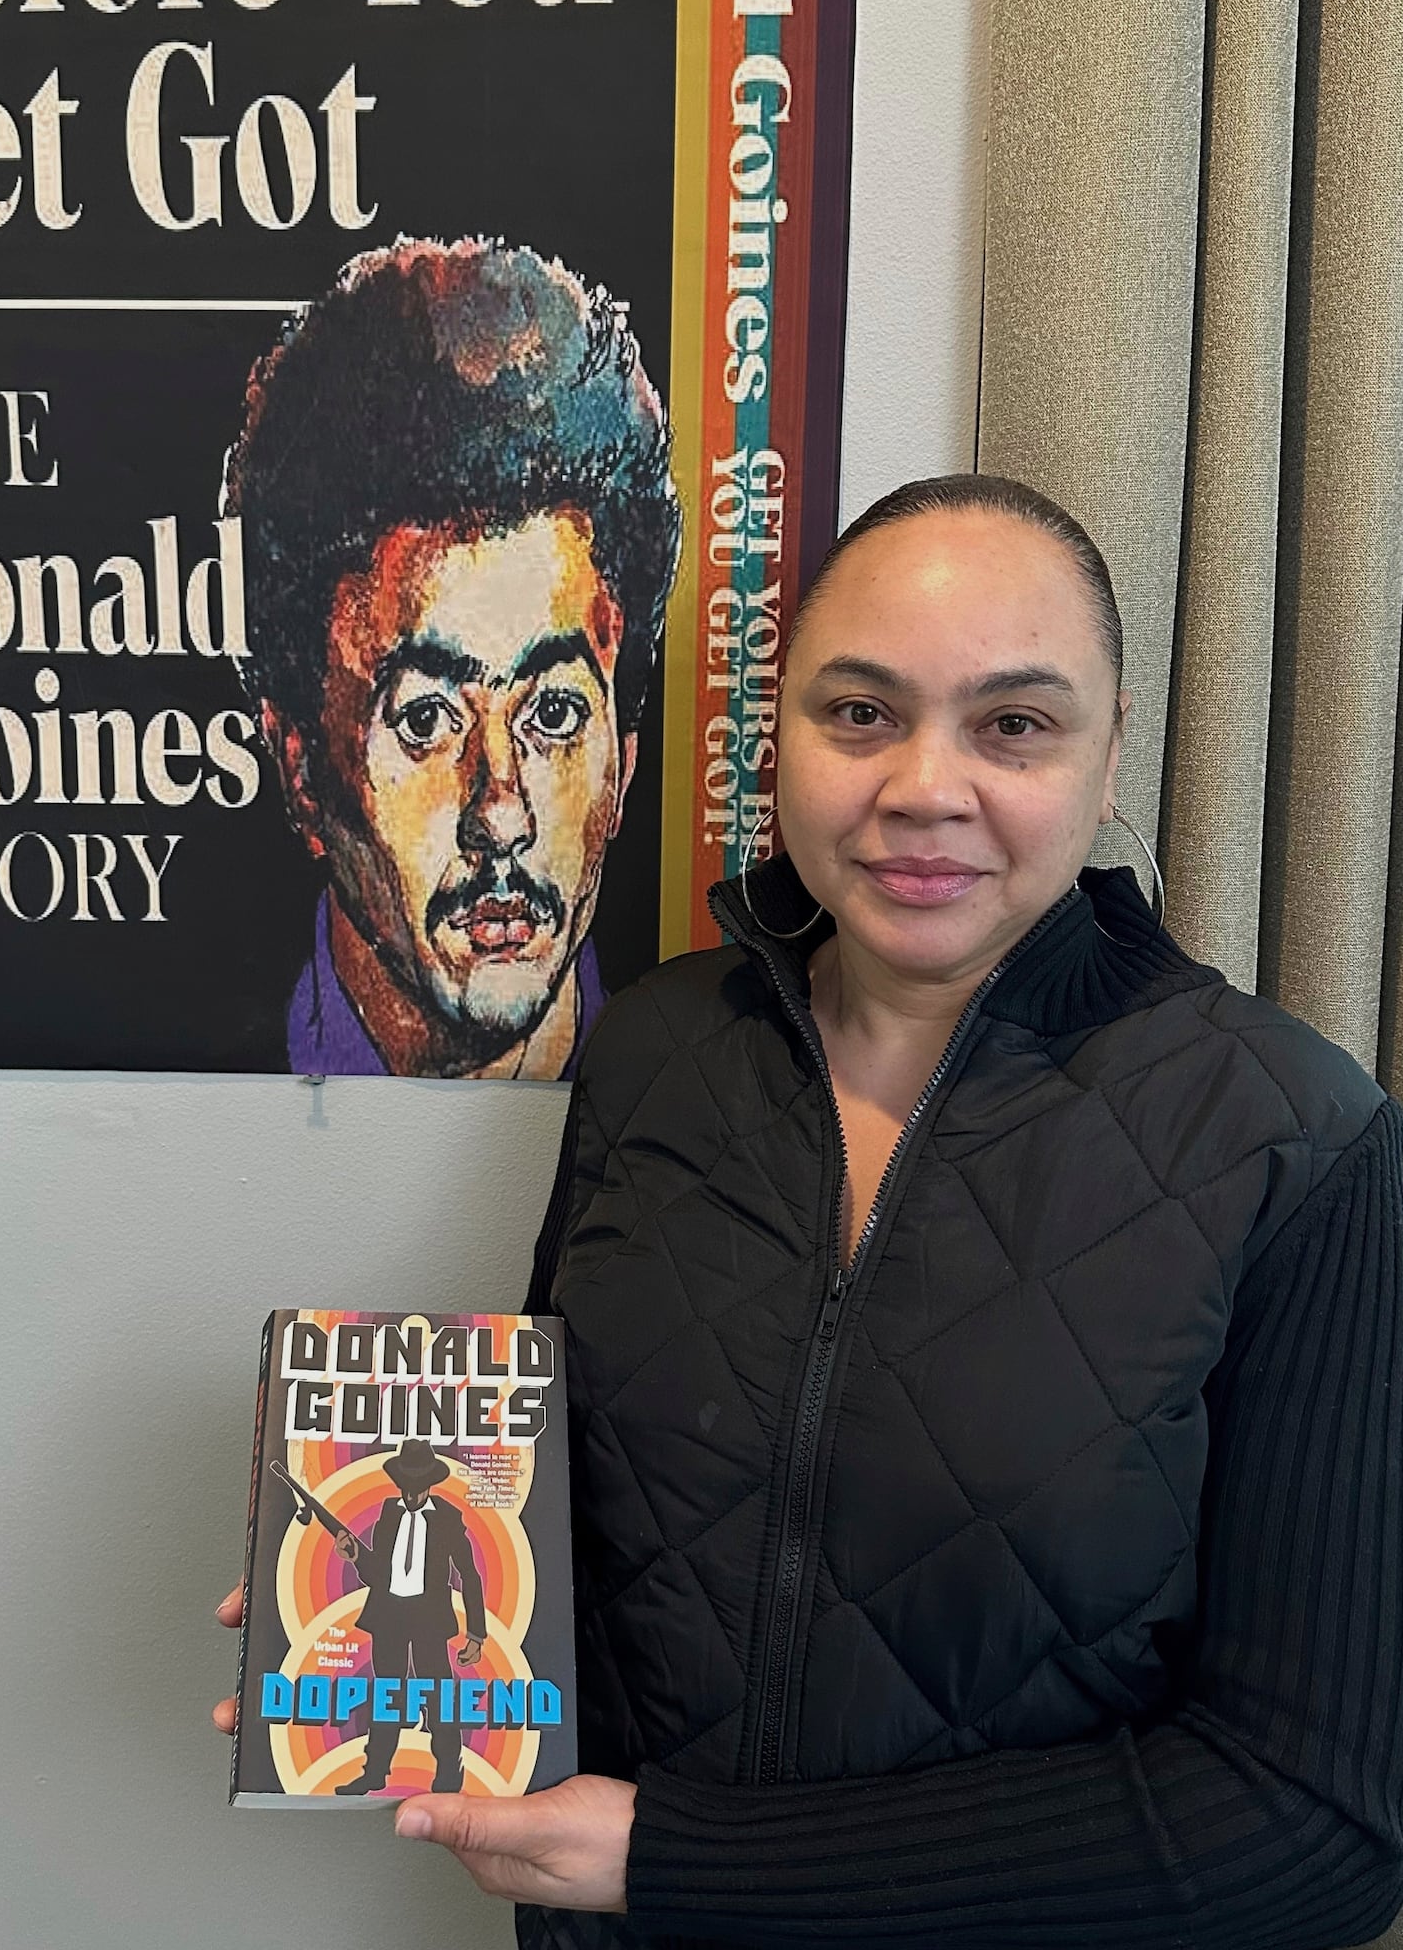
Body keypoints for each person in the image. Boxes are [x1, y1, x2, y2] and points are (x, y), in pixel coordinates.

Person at [325, 472, 1402, 1946]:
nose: (923, 787)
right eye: (860, 712)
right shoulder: (653, 1047)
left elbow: (1313, 1828)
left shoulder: (1299, 1142)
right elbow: (575, 1533)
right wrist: (368, 1606)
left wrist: (688, 1861)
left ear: (1108, 756)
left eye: (1014, 724)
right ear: (786, 738)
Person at [224, 235, 681, 1081]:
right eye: (426, 720)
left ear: (625, 761)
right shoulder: (207, 1105)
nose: (502, 813)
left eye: (555, 714)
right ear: (300, 772)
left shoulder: (695, 1113)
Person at [275, 1444, 487, 1795]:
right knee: (387, 1696)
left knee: (438, 1696)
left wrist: (476, 1634)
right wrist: (355, 1555)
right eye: (405, 1481)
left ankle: (450, 1771)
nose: (411, 1490)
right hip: (389, 1619)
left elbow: (469, 1574)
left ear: (430, 1483)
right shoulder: (388, 1513)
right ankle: (374, 1773)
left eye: (418, 1482)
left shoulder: (449, 1518)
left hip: (429, 1620)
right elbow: (380, 1574)